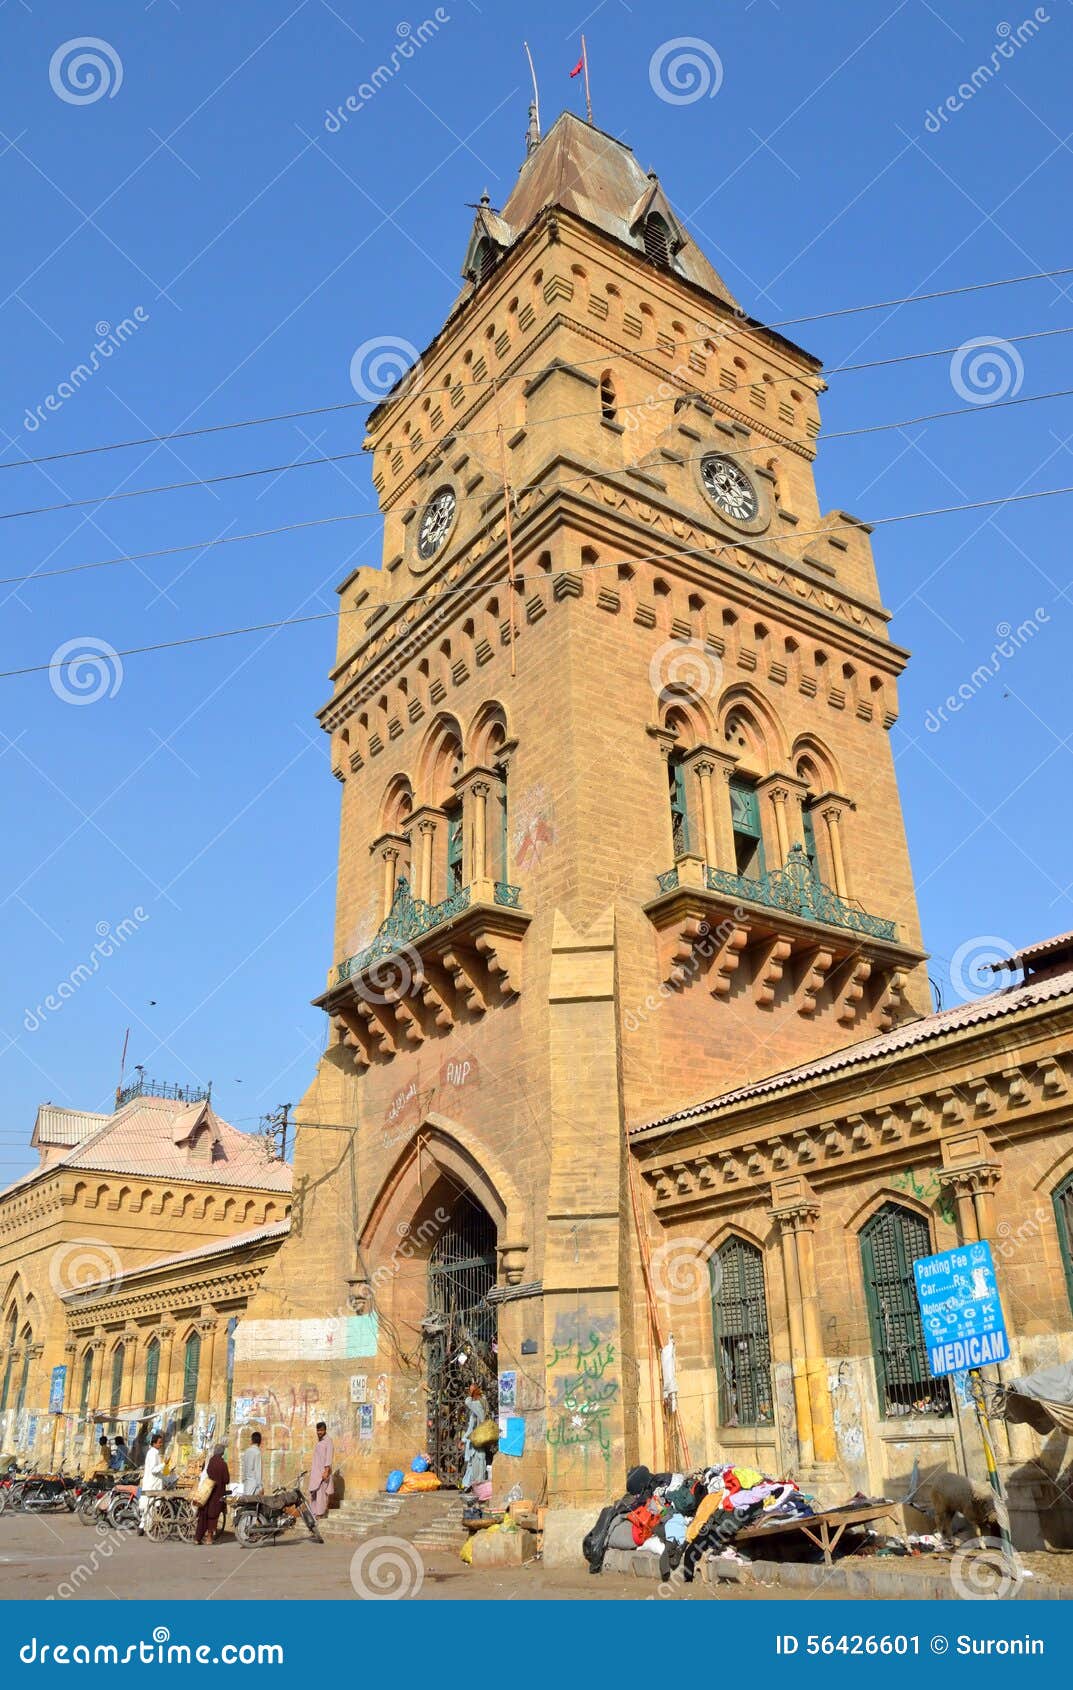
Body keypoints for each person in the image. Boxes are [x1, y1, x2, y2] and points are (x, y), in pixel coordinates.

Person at [194, 1443, 230, 1545]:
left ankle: (197, 1538)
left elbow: (208, 1473)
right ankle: (209, 1538)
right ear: (222, 1453)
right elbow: (226, 1480)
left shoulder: (210, 1462)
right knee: (213, 1516)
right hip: (218, 1493)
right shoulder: (223, 1464)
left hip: (207, 1492)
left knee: (203, 1515)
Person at [461, 1383, 490, 1493]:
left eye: (472, 1390)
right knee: (472, 1463)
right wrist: (464, 1439)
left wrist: (471, 1393)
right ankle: (468, 1485)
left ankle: (478, 1486)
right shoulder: (476, 1404)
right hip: (474, 1439)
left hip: (479, 1438)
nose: (470, 1392)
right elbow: (470, 1425)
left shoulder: (479, 1403)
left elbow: (467, 1401)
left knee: (478, 1461)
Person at [138, 1434, 165, 1536]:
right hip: (152, 1484)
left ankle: (142, 1526)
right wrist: (164, 1464)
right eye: (159, 1442)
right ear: (154, 1443)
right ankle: (147, 1528)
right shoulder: (153, 1453)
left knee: (148, 1506)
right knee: (150, 1506)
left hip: (151, 1482)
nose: (161, 1444)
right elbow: (154, 1470)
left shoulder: (153, 1453)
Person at [308, 1422, 333, 1519]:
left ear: (325, 1430)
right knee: (314, 1493)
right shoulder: (319, 1441)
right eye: (318, 1430)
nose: (319, 1432)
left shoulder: (328, 1441)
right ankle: (313, 1513)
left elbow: (329, 1457)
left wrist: (326, 1471)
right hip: (316, 1472)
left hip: (323, 1472)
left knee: (321, 1493)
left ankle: (320, 1513)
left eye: (321, 1430)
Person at [240, 1431, 263, 1497]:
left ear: (252, 1440)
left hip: (246, 1483)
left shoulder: (247, 1451)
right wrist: (260, 1487)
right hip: (254, 1485)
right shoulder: (257, 1452)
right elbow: (258, 1470)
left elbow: (244, 1467)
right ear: (260, 1441)